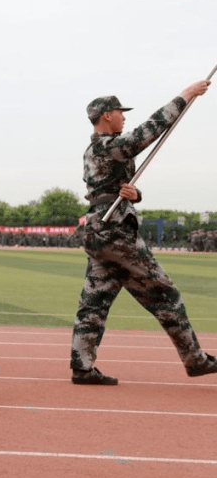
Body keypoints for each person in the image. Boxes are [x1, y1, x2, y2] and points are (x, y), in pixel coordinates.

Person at [70, 85, 217, 384]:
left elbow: (110, 190)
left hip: (99, 228)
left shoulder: (94, 151)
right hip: (114, 231)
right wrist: (186, 95)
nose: (124, 118)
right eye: (120, 113)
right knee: (166, 295)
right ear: (106, 116)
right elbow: (147, 133)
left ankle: (82, 367)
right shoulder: (107, 146)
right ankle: (195, 360)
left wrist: (135, 196)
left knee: (94, 301)